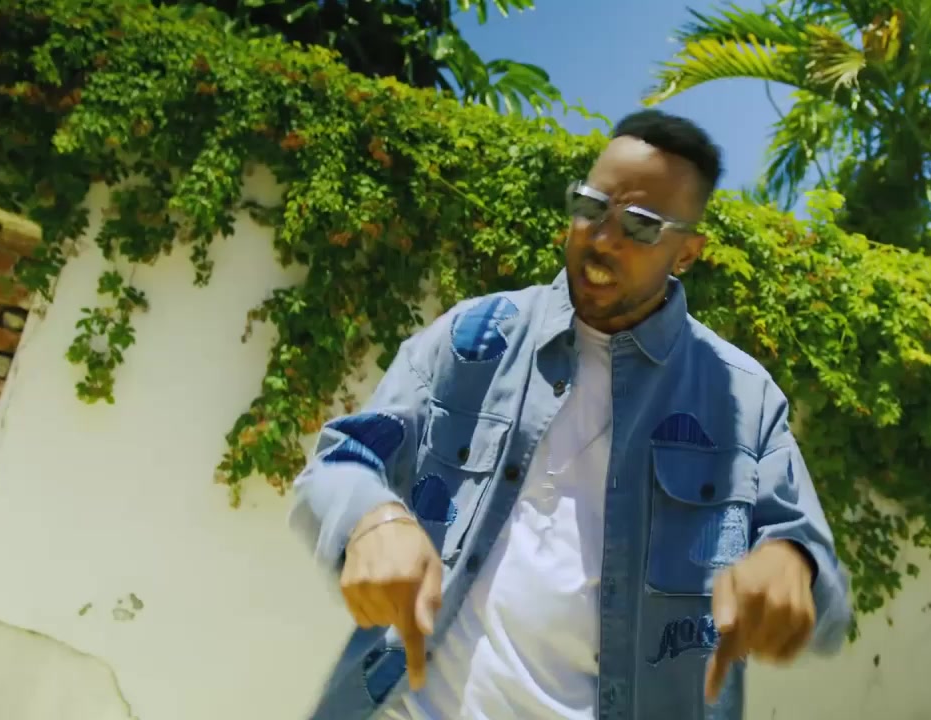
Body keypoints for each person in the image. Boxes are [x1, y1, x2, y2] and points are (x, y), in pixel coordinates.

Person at [289, 109, 851, 720]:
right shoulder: (476, 338)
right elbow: (342, 460)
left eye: (640, 225)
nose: (602, 238)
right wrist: (371, 519)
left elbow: (820, 582)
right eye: (591, 206)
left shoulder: (744, 397)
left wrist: (790, 567)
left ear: (687, 252)